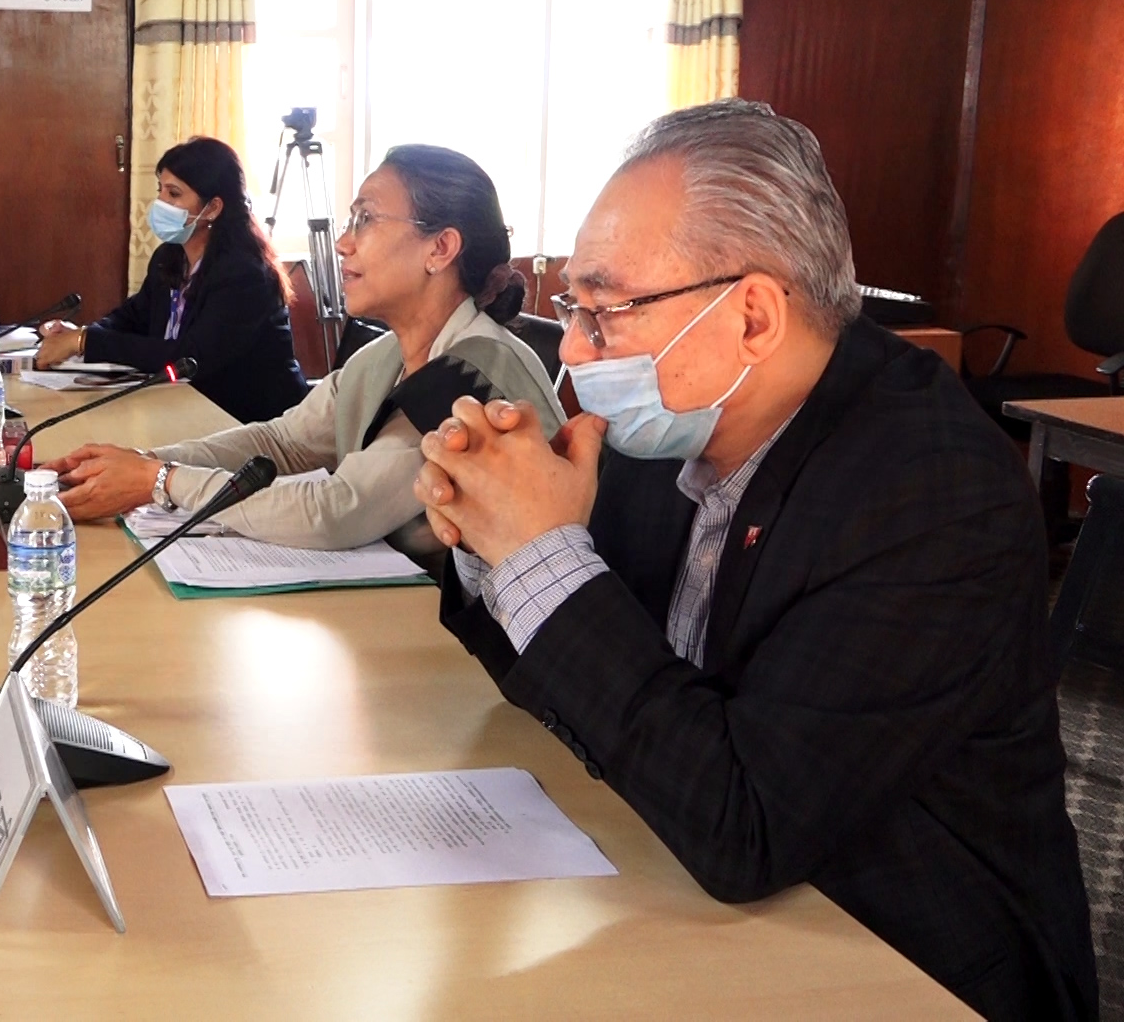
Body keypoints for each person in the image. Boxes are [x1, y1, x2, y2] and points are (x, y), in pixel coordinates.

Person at [420, 100, 1096, 1020]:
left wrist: (544, 555)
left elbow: (747, 825)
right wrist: (491, 539)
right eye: (571, 307)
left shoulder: (932, 491)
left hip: (906, 957)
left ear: (751, 317)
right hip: (687, 893)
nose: (573, 351)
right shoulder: (670, 424)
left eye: (605, 310)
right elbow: (571, 683)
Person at [49, 145, 562, 566]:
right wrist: (144, 462)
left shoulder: (475, 369)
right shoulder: (385, 356)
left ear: (441, 248)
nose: (342, 243)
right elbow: (283, 442)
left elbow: (340, 510)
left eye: (366, 219)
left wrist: (160, 482)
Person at [33, 137, 308, 424]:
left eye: (174, 194)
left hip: (254, 421)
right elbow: (133, 317)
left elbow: (190, 357)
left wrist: (84, 342)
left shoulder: (245, 273)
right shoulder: (170, 256)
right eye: (160, 190)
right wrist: (80, 333)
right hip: (185, 408)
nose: (161, 203)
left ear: (213, 208)